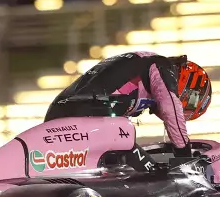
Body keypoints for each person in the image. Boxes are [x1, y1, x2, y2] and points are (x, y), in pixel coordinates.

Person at [44, 51, 210, 156]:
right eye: (190, 101)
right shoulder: (162, 66)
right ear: (188, 82)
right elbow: (171, 109)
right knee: (126, 132)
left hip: (60, 111)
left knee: (124, 138)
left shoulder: (141, 61)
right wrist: (184, 153)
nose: (185, 107)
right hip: (88, 112)